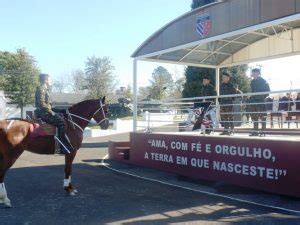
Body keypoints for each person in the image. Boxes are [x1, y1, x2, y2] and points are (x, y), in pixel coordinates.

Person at [34, 73, 74, 154]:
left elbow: (49, 105)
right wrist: (52, 112)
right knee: (61, 123)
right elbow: (41, 104)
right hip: (43, 113)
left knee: (62, 118)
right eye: (49, 79)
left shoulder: (45, 89)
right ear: (45, 80)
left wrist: (60, 111)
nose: (50, 81)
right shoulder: (41, 89)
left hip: (45, 111)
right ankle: (62, 147)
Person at [249, 68, 270, 136]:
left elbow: (268, 91)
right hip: (253, 101)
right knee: (254, 117)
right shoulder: (252, 82)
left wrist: (261, 97)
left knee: (262, 116)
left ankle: (263, 132)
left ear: (258, 73)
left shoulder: (263, 81)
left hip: (261, 101)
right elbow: (251, 91)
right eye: (253, 73)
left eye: (254, 73)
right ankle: (255, 131)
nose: (253, 74)